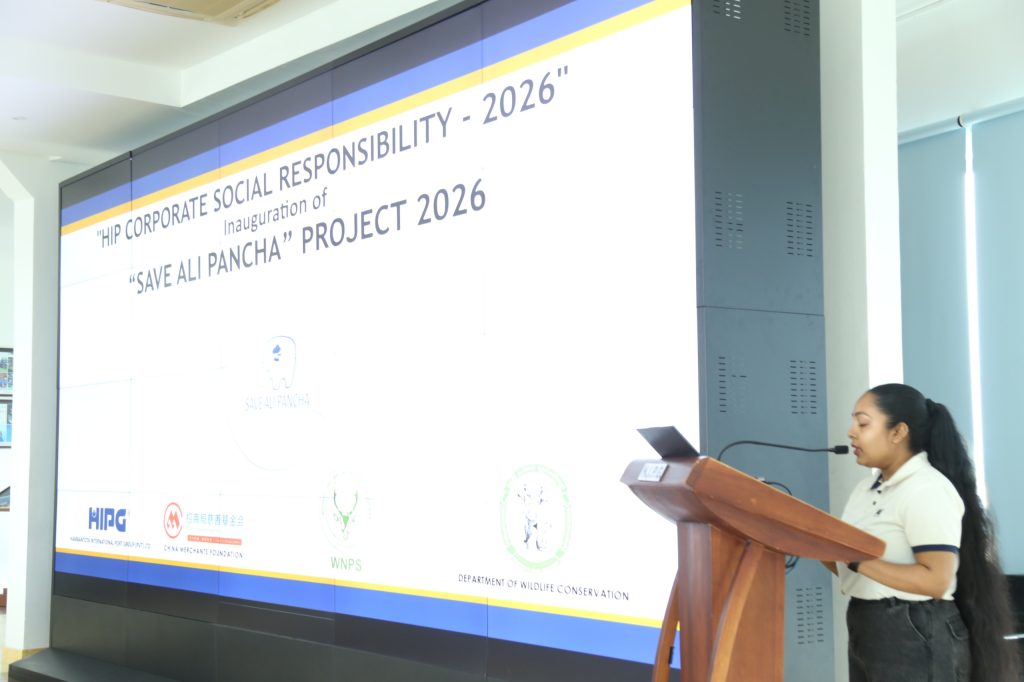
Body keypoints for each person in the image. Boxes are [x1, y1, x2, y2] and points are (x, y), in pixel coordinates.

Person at [829, 383, 1020, 682]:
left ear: (898, 432)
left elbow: (936, 580)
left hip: (915, 629)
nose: (851, 432)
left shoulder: (927, 489)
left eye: (863, 423)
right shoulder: (864, 489)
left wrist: (857, 560)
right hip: (866, 623)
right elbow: (854, 569)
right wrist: (807, 542)